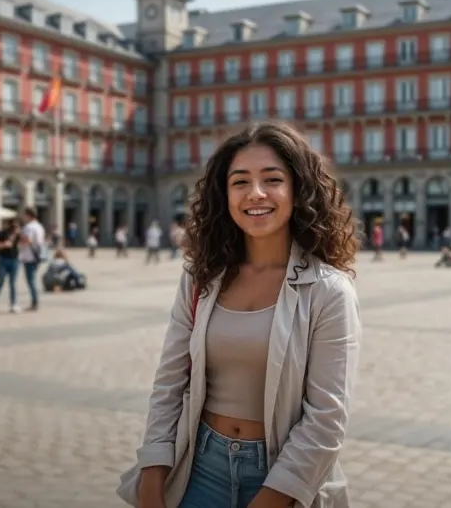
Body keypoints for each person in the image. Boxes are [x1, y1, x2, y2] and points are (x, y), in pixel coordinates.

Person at [118, 121, 361, 508]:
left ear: (298, 190)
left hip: (285, 477)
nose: (256, 193)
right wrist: (152, 475)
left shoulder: (327, 291)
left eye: (272, 179)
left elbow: (326, 419)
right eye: (240, 181)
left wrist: (270, 498)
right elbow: (169, 384)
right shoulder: (201, 278)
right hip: (199, 468)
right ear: (224, 194)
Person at [0, 218, 22, 314]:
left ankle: (13, 304)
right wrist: (4, 244)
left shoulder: (18, 234)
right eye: (14, 225)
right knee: (0, 282)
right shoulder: (2, 233)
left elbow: (24, 243)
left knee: (12, 283)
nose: (15, 227)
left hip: (15, 260)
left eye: (17, 225)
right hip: (3, 260)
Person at [19, 208, 47, 311]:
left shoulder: (29, 227)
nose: (24, 217)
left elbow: (27, 240)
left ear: (29, 215)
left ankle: (35, 303)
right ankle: (35, 302)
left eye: (25, 215)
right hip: (38, 255)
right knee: (32, 280)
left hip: (29, 256)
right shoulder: (40, 226)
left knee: (31, 281)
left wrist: (20, 243)